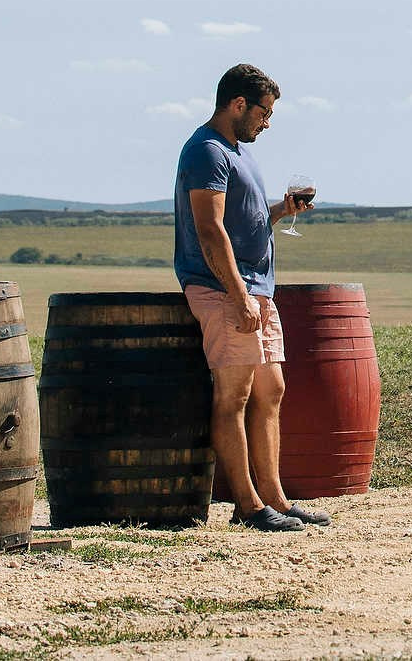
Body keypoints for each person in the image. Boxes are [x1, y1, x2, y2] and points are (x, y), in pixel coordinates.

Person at [173, 62, 328, 531]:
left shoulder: (237, 152)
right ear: (238, 104)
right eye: (265, 110)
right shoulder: (206, 151)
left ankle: (276, 500)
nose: (268, 120)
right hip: (227, 291)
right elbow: (209, 228)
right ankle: (247, 505)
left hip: (256, 289)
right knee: (234, 396)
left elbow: (246, 220)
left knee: (271, 390)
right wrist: (237, 295)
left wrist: (282, 209)